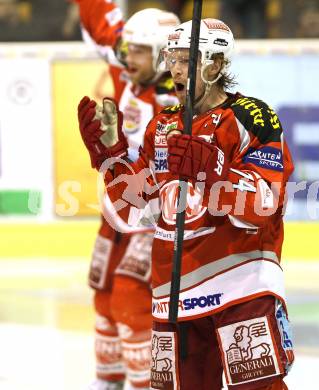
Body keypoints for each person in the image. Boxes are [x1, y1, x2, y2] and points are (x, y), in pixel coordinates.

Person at [78, 17, 295, 390]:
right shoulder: (161, 126)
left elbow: (265, 205)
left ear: (214, 65)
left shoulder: (250, 117)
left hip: (240, 288)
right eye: (172, 59)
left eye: (187, 60)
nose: (175, 69)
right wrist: (110, 159)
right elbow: (131, 214)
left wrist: (215, 172)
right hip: (173, 295)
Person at [74, 1, 180, 389]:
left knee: (131, 298)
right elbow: (100, 21)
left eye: (138, 51)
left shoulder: (180, 103)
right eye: (128, 48)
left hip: (152, 216)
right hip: (119, 208)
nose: (126, 57)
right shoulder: (129, 62)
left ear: (166, 56)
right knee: (102, 296)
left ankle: (146, 383)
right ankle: (109, 382)